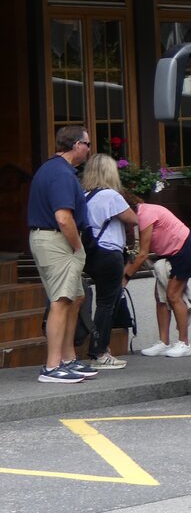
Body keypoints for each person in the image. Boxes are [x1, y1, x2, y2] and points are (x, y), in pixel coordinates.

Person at [26, 125, 99, 383]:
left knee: (75, 298)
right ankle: (52, 366)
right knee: (61, 300)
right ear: (76, 145)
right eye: (87, 144)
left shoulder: (56, 169)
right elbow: (64, 218)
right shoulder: (61, 174)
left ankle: (67, 360)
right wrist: (78, 245)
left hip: (53, 239)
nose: (89, 149)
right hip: (58, 240)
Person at [80, 154, 139, 369]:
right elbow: (133, 218)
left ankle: (98, 349)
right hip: (110, 253)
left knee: (103, 301)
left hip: (92, 254)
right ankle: (99, 352)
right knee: (108, 303)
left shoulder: (85, 196)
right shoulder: (110, 195)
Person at [122, 192, 191, 358]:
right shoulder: (138, 216)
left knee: (173, 296)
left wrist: (126, 278)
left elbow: (142, 254)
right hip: (168, 254)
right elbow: (135, 252)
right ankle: (163, 342)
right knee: (160, 297)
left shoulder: (145, 215)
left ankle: (184, 343)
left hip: (183, 249)